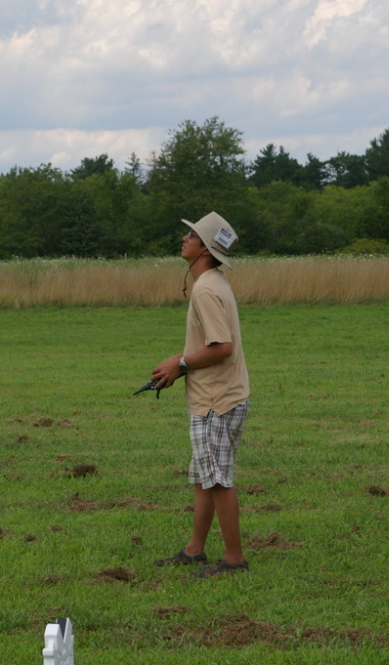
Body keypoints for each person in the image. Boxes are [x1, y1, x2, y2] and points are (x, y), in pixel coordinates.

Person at [149, 211, 250, 578]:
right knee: (204, 477)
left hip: (215, 401)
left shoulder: (207, 289)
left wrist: (181, 364)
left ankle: (234, 559)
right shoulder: (213, 282)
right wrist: (181, 363)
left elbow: (222, 346)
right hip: (222, 396)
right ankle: (195, 551)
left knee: (219, 479)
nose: (185, 238)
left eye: (191, 235)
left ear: (205, 248)